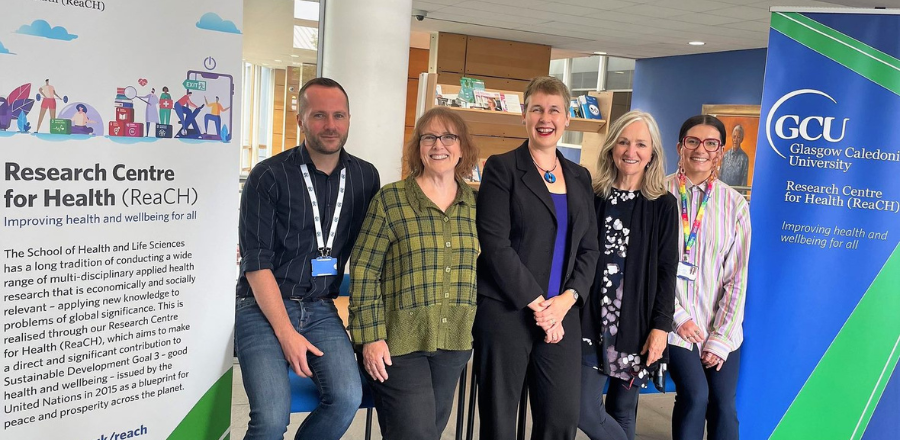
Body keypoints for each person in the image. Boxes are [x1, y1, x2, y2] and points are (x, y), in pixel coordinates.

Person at [234, 77, 381, 440]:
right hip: (260, 306)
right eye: (319, 115)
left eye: (339, 115)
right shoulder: (267, 176)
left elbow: (372, 250)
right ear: (300, 120)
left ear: (349, 119)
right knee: (270, 418)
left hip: (318, 308)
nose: (330, 125)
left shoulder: (365, 176)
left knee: (348, 398)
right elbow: (256, 264)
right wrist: (286, 335)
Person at [474, 76, 600, 440]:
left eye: (554, 110)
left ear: (567, 118)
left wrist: (566, 300)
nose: (546, 118)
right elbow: (496, 245)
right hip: (507, 312)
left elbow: (589, 249)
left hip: (563, 314)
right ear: (524, 116)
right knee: (499, 422)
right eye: (537, 109)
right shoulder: (502, 168)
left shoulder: (579, 176)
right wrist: (541, 306)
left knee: (560, 419)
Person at [348, 106, 479, 440]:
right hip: (398, 343)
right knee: (416, 434)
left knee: (427, 432)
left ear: (462, 147)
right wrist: (370, 337)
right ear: (418, 147)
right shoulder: (391, 200)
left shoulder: (477, 204)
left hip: (454, 341)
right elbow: (364, 269)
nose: (439, 145)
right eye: (429, 137)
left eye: (449, 137)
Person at [578, 111, 678, 440]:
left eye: (640, 144)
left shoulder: (663, 204)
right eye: (623, 141)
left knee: (622, 408)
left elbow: (667, 271)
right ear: (611, 147)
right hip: (590, 321)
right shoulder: (592, 196)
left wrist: (660, 328)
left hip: (637, 324)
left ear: (652, 154)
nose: (630, 151)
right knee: (582, 408)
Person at [666, 115, 750, 440]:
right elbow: (647, 269)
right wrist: (679, 318)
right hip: (674, 323)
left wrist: (720, 337)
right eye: (693, 141)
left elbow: (737, 277)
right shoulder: (658, 194)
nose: (701, 149)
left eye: (711, 143)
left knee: (723, 405)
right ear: (680, 147)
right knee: (695, 396)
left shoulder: (735, 204)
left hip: (720, 325)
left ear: (720, 151)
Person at [718, 124, 749, 188]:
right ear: (732, 138)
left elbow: (744, 181)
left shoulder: (744, 158)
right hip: (723, 191)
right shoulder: (725, 155)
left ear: (741, 139)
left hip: (736, 194)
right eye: (734, 137)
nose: (736, 140)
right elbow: (720, 176)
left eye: (738, 137)